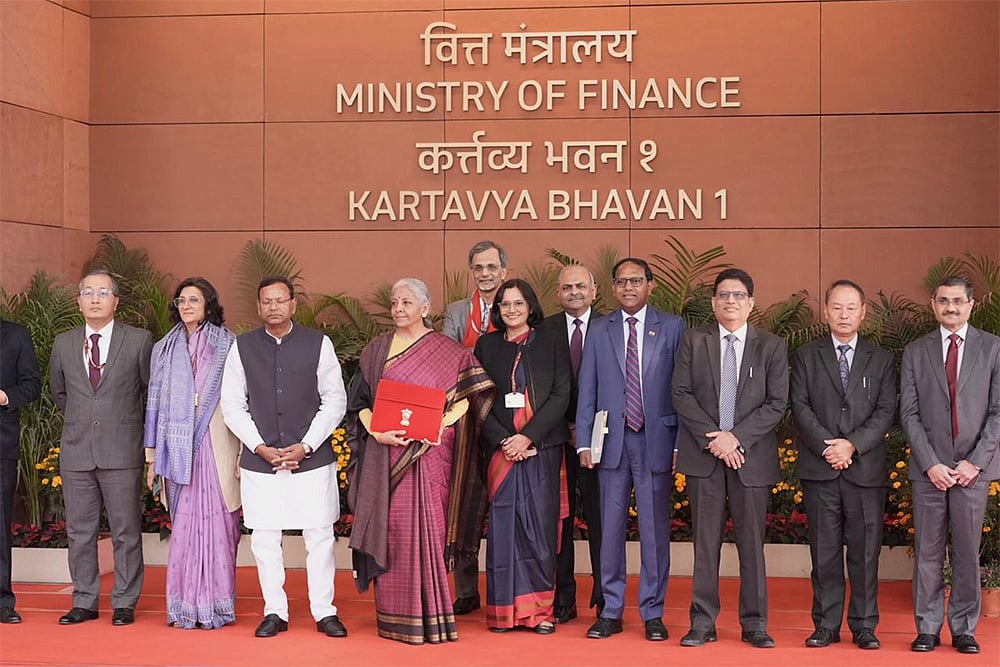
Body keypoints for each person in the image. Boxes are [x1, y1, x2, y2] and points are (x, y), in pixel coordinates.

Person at [346, 278, 494, 645]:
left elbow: (468, 397)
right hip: (387, 455)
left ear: (426, 309)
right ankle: (395, 616)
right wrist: (375, 431)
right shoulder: (376, 351)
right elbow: (359, 403)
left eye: (407, 302)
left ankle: (433, 613)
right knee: (393, 531)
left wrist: (439, 426)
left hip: (430, 456)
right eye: (395, 302)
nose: (398, 308)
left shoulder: (449, 351)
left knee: (429, 530)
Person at [220, 276, 348, 639]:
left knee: (320, 536)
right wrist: (259, 445)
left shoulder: (318, 344)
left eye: (280, 300)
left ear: (293, 304)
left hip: (312, 457)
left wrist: (306, 445)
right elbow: (231, 405)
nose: (273, 307)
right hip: (261, 460)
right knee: (264, 538)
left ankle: (324, 611)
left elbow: (335, 399)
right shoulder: (242, 347)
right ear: (259, 307)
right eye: (266, 302)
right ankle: (275, 610)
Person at [672, 268, 788, 649]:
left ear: (751, 302)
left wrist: (735, 438)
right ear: (713, 302)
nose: (730, 301)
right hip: (705, 457)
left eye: (738, 295)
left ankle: (755, 624)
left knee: (751, 545)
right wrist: (717, 441)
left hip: (750, 459)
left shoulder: (770, 345)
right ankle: (702, 622)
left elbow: (776, 404)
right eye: (723, 295)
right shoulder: (694, 340)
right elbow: (682, 394)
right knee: (705, 544)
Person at [576, 258, 686, 642]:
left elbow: (682, 389)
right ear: (613, 287)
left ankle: (653, 613)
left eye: (635, 280)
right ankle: (611, 610)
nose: (627, 287)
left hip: (656, 439)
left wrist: (679, 444)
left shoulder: (672, 327)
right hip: (610, 442)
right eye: (621, 281)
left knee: (655, 532)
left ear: (650, 285)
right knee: (610, 529)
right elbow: (587, 388)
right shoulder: (600, 329)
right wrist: (584, 443)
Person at [790, 280, 896, 650]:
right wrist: (828, 447)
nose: (844, 314)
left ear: (864, 312)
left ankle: (865, 625)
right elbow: (799, 408)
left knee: (866, 553)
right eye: (837, 307)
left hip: (864, 471)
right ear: (825, 311)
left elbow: (886, 411)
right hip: (821, 471)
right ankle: (826, 624)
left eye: (851, 308)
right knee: (825, 552)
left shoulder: (881, 359)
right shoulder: (805, 356)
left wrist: (852, 445)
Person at [900, 275, 1000, 655]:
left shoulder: (993, 349)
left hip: (973, 473)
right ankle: (927, 628)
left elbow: (997, 413)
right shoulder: (915, 351)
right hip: (930, 473)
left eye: (958, 301)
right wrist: (931, 464)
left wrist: (974, 463)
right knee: (927, 551)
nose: (951, 307)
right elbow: (908, 414)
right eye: (943, 301)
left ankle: (963, 629)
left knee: (966, 552)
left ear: (971, 304)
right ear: (933, 304)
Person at [49, 269, 153, 626]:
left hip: (122, 451)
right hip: (77, 451)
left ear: (116, 301)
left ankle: (124, 601)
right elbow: (59, 394)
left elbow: (146, 393)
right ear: (78, 301)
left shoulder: (138, 340)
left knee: (125, 531)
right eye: (88, 292)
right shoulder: (63, 342)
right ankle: (84, 600)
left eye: (103, 292)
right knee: (79, 532)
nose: (95, 299)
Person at [144, 277, 242, 629]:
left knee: (220, 527)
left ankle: (216, 605)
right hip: (178, 448)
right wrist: (151, 455)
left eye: (194, 300)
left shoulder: (228, 345)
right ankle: (184, 606)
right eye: (182, 300)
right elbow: (153, 403)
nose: (186, 306)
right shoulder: (164, 348)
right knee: (185, 528)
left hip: (218, 444)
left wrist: (245, 452)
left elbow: (243, 401)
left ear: (209, 305)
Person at [475, 279, 571, 635]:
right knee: (503, 531)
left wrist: (528, 436)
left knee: (539, 531)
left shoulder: (551, 341)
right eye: (504, 305)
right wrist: (505, 440)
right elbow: (479, 400)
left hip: (541, 450)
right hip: (501, 453)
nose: (511, 310)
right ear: (497, 310)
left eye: (518, 303)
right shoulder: (486, 346)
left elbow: (562, 394)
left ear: (530, 306)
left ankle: (539, 613)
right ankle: (503, 613)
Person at [442, 239, 509, 615]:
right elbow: (448, 358)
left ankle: (505, 588)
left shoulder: (517, 306)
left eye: (491, 268)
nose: (485, 274)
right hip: (464, 422)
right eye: (479, 268)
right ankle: (466, 590)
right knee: (465, 503)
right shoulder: (456, 312)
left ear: (504, 271)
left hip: (508, 422)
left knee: (503, 504)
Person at [540, 265, 605, 623]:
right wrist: (564, 426)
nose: (574, 292)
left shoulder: (611, 328)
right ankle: (564, 595)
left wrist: (589, 429)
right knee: (561, 522)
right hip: (556, 440)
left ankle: (603, 596)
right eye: (567, 287)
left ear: (594, 290)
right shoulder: (544, 330)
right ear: (557, 292)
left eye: (581, 286)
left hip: (599, 442)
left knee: (600, 520)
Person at [0, 319, 42, 624]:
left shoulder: (16, 334)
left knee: (0, 527)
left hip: (1, 446)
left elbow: (32, 385)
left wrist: (4, 397)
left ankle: (2, 601)